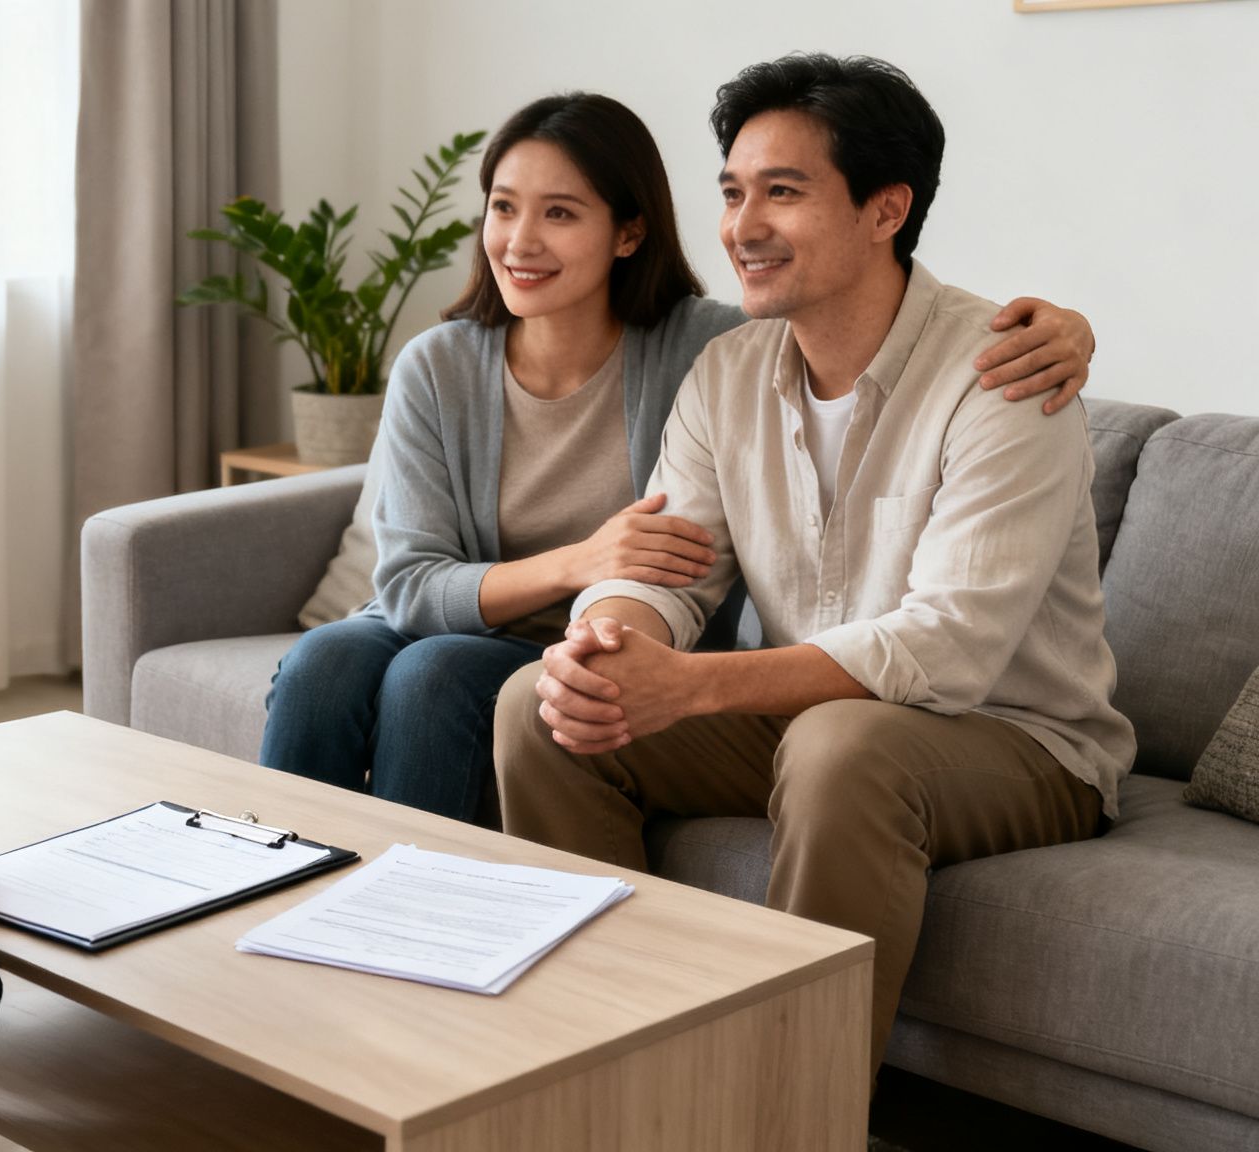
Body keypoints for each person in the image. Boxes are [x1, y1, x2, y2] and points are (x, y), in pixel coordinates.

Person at [494, 54, 1134, 1082]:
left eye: (781, 193)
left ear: (886, 210)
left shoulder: (1004, 374)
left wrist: (691, 684)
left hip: (1018, 741)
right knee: (542, 707)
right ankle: (607, 1078)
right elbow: (668, 565)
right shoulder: (728, 370)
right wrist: (609, 640)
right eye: (732, 191)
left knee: (844, 748)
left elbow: (949, 646)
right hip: (814, 721)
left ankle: (785, 1114)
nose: (742, 223)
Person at [259, 90, 1098, 824]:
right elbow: (404, 586)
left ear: (628, 233)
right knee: (324, 662)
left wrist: (1069, 330)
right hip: (505, 621)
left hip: (612, 643)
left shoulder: (711, 348)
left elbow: (859, 317)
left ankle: (409, 930)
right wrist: (580, 564)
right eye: (503, 207)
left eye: (559, 212)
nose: (519, 240)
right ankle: (269, 898)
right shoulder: (439, 367)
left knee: (433, 677)